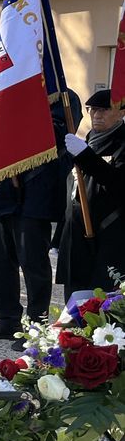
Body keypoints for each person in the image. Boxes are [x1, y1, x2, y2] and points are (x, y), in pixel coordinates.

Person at [0, 96, 75, 342]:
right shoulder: (9, 90)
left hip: (36, 192)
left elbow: (57, 136)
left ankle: (35, 325)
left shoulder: (62, 95)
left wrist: (21, 115)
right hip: (4, 189)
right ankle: (7, 319)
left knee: (33, 264)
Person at [58, 88, 124, 298]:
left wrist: (85, 156)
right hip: (77, 232)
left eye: (104, 110)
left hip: (108, 233)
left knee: (101, 298)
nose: (96, 115)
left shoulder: (122, 143)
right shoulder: (89, 140)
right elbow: (74, 189)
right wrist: (60, 235)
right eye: (92, 109)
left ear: (121, 112)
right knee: (74, 296)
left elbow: (117, 183)